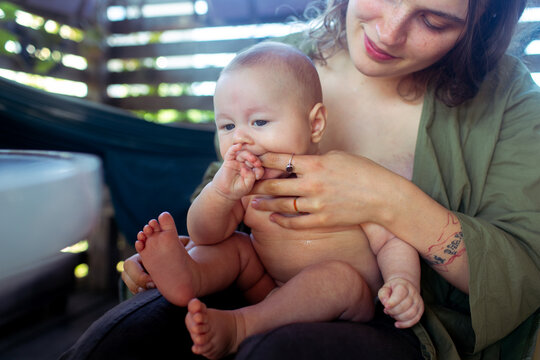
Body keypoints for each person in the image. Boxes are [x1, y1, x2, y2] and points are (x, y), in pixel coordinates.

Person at [61, 0, 540, 359]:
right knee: (124, 339)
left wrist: (386, 198)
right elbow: (218, 210)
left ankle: (244, 324)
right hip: (251, 274)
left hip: (386, 317)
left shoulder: (507, 100)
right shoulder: (278, 66)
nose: (390, 32)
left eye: (434, 20)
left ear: (481, 25)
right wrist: (186, 252)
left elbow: (526, 271)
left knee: (280, 351)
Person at [134, 41, 424, 359]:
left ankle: (243, 326)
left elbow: (391, 240)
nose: (241, 137)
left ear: (314, 124)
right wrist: (221, 192)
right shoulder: (247, 186)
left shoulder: (342, 179)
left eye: (259, 122)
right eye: (228, 126)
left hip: (348, 301)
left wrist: (401, 280)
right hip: (268, 286)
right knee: (235, 247)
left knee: (338, 278)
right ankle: (189, 276)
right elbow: (206, 235)